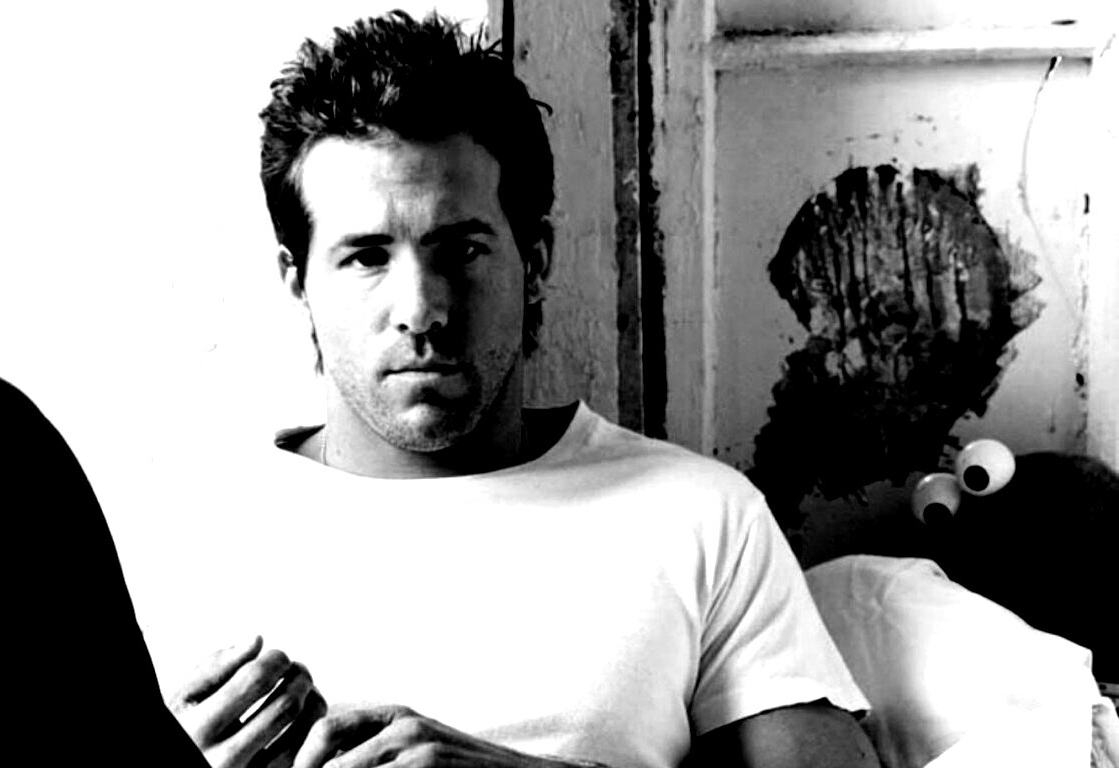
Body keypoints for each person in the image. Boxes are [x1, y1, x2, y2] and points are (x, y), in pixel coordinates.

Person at [153, 9, 879, 768]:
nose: (421, 310)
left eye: (461, 249)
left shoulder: (699, 513)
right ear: (296, 281)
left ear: (535, 261)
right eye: (366, 257)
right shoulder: (192, 533)